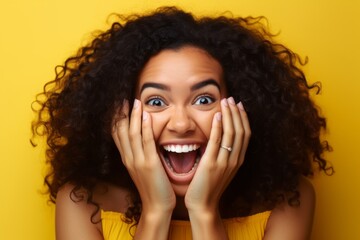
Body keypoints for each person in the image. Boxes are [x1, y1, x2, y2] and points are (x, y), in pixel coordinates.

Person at [32, 6, 332, 240]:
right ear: (121, 116)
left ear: (243, 108)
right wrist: (155, 212)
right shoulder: (83, 204)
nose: (181, 123)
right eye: (156, 101)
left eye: (203, 99)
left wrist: (204, 212)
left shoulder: (288, 200)